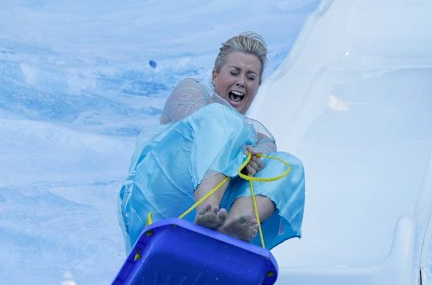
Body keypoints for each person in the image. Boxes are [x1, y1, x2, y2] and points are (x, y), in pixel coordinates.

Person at [119, 32, 305, 251]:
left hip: (212, 216)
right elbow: (197, 124)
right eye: (234, 72)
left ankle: (232, 229)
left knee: (287, 165)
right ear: (215, 75)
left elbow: (264, 153)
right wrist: (237, 151)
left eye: (251, 77)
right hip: (156, 202)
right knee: (224, 120)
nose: (241, 82)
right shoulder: (192, 90)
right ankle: (207, 211)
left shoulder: (260, 135)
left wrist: (250, 158)